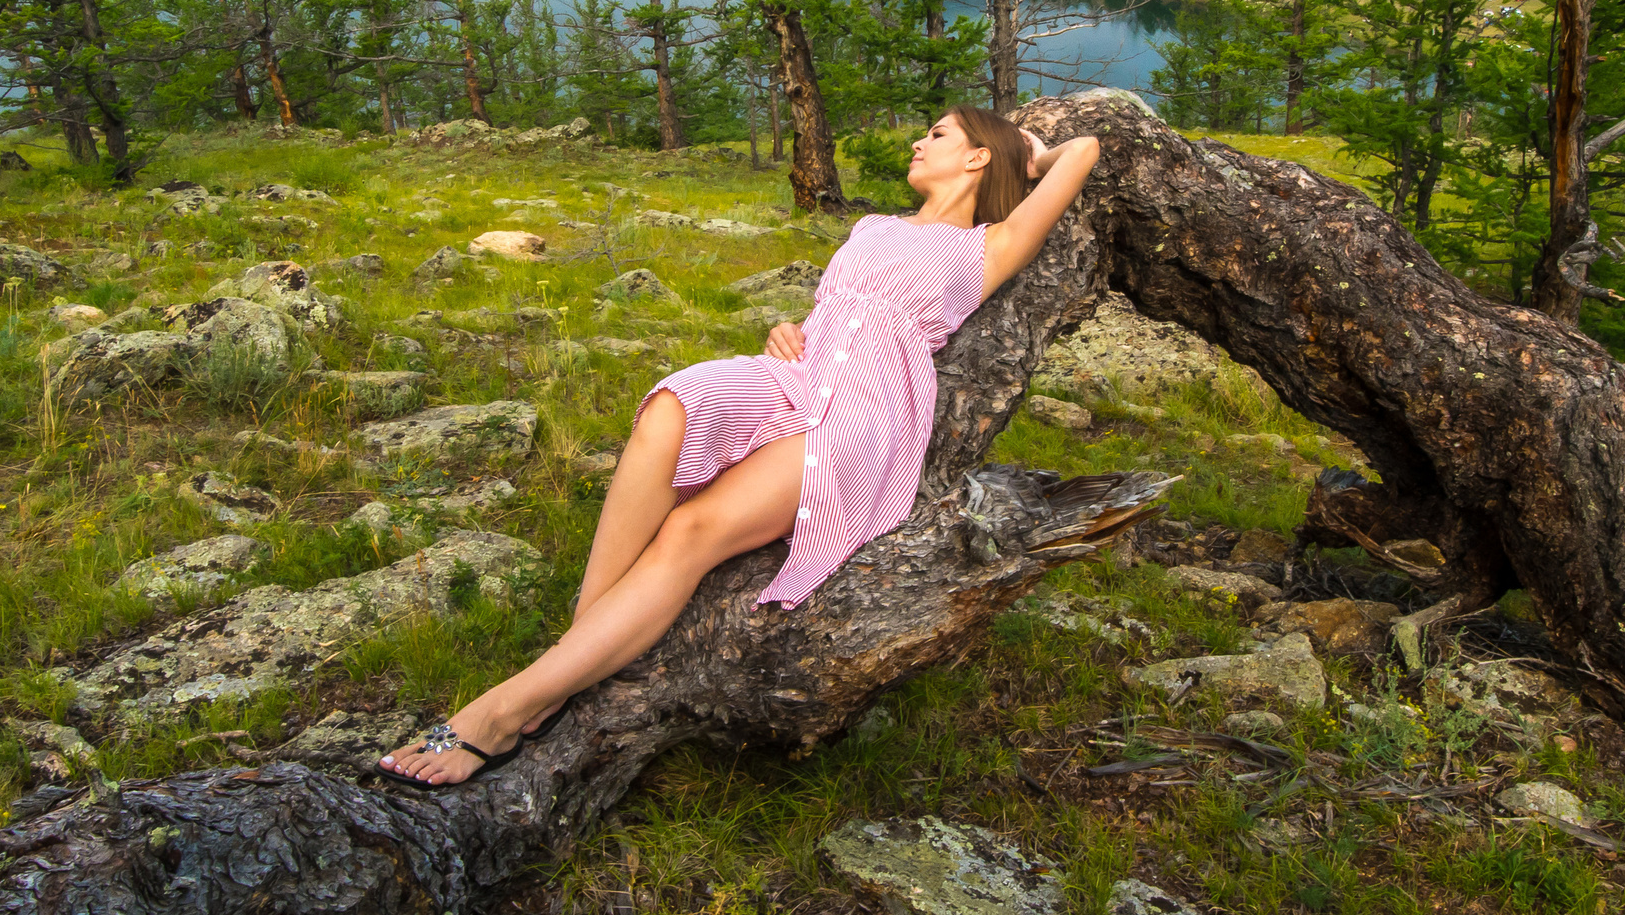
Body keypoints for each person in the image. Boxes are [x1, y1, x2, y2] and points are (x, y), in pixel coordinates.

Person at [377, 104, 1102, 787]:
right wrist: (792, 327)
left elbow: (1085, 150)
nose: (918, 141)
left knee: (691, 529)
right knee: (669, 405)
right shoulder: (874, 225)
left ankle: (503, 712)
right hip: (794, 373)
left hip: (860, 410)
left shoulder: (989, 246)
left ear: (978, 157)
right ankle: (571, 657)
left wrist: (1032, 154)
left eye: (938, 134)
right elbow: (837, 310)